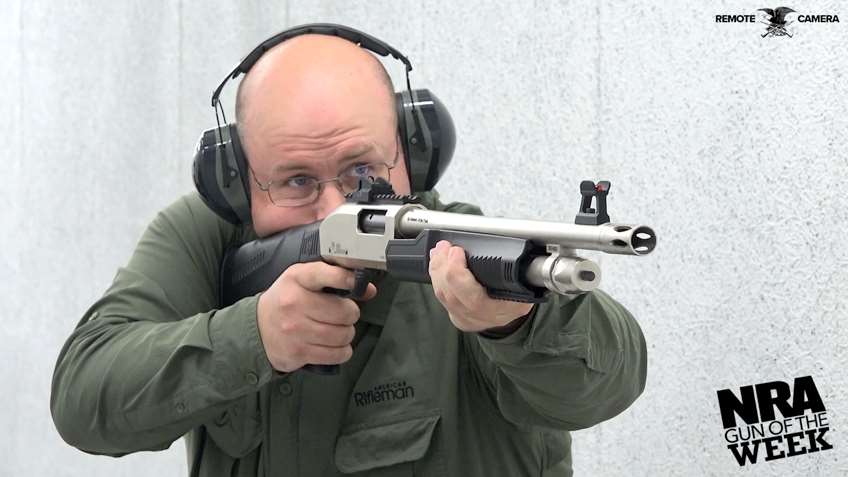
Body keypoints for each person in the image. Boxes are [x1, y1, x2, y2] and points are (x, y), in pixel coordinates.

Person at [51, 26, 648, 477]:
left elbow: (611, 380)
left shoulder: (462, 246)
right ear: (235, 183)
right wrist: (252, 336)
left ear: (412, 154)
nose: (335, 206)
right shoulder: (209, 240)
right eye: (297, 181)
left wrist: (518, 322)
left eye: (362, 170)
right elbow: (84, 398)